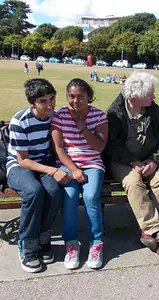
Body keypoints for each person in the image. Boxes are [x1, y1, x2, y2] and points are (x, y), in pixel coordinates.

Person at [104, 71, 159, 259]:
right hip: (122, 162)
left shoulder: (154, 110)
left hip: (150, 160)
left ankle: (147, 231)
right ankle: (157, 233)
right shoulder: (114, 113)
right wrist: (132, 162)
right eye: (150, 93)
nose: (154, 96)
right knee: (133, 183)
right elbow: (112, 145)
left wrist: (154, 160)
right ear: (136, 96)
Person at [6, 78, 70, 273]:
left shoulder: (55, 117)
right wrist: (53, 170)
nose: (50, 104)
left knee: (53, 191)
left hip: (45, 165)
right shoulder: (20, 120)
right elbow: (23, 160)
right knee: (33, 192)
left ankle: (43, 238)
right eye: (43, 101)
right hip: (19, 166)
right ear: (32, 103)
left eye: (52, 98)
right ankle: (26, 245)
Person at [51, 78, 108, 270]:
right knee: (70, 195)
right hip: (67, 164)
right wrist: (74, 170)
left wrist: (83, 128)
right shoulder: (59, 116)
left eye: (80, 97)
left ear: (89, 97)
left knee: (91, 196)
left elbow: (99, 147)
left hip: (92, 163)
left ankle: (96, 243)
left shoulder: (98, 116)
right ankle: (71, 243)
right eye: (71, 96)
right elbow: (59, 148)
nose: (75, 101)